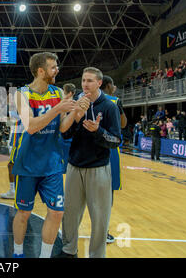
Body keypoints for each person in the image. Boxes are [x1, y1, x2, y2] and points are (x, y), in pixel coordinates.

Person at [10, 52, 85, 258]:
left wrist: (74, 112)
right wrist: (58, 108)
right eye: (53, 67)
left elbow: (62, 128)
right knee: (24, 213)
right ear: (41, 71)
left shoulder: (58, 92)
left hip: (52, 163)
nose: (57, 70)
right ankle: (18, 253)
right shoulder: (22, 94)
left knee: (57, 212)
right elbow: (31, 127)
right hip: (28, 163)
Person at [58, 67, 121, 258]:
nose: (85, 84)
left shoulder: (109, 106)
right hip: (74, 166)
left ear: (99, 83)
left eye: (90, 81)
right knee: (69, 214)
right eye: (84, 80)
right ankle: (69, 250)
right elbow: (65, 134)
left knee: (100, 217)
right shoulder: (77, 103)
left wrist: (98, 131)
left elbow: (117, 140)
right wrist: (75, 117)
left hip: (99, 168)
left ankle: (97, 254)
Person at [100, 75, 127, 244]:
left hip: (88, 149)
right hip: (109, 149)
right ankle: (103, 231)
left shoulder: (85, 98)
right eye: (113, 84)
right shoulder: (115, 100)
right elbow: (123, 124)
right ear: (108, 85)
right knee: (107, 194)